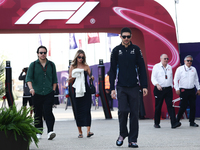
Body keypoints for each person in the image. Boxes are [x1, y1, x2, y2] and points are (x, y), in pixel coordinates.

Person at [109, 27, 148, 148]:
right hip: (121, 86)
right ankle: (122, 134)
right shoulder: (116, 50)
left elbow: (141, 68)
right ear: (120, 37)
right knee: (123, 111)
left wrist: (144, 85)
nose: (126, 39)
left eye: (128, 36)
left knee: (134, 114)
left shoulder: (136, 50)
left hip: (134, 87)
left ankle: (132, 140)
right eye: (124, 36)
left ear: (131, 37)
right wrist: (112, 88)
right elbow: (112, 70)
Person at [26, 45, 58, 140]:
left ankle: (50, 131)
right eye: (41, 53)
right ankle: (38, 132)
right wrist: (31, 88)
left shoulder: (51, 65)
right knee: (37, 112)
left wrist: (53, 90)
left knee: (48, 112)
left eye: (44, 52)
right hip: (36, 93)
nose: (43, 54)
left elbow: (54, 80)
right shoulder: (33, 65)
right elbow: (29, 78)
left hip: (48, 92)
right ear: (37, 54)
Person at [68, 49, 94, 138]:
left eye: (82, 57)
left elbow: (90, 77)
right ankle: (80, 132)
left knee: (87, 109)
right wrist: (72, 78)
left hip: (85, 89)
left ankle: (88, 131)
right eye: (79, 57)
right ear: (76, 57)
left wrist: (92, 78)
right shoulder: (72, 66)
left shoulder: (86, 66)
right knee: (77, 110)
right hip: (75, 89)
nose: (81, 59)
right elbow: (69, 79)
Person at [151, 54, 181, 129]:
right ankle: (156, 123)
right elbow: (153, 78)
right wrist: (157, 84)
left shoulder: (169, 67)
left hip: (168, 89)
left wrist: (172, 86)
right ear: (160, 59)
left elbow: (170, 78)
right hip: (159, 89)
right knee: (158, 106)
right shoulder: (156, 67)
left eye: (167, 58)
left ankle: (173, 123)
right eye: (164, 58)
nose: (166, 60)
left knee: (170, 106)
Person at [174, 55, 200, 127]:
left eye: (191, 61)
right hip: (183, 90)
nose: (189, 62)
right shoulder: (180, 69)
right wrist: (177, 88)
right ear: (185, 61)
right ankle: (177, 121)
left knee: (193, 106)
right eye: (188, 60)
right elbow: (175, 79)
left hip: (191, 90)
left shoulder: (193, 69)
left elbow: (196, 80)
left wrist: (198, 88)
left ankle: (192, 122)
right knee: (183, 106)